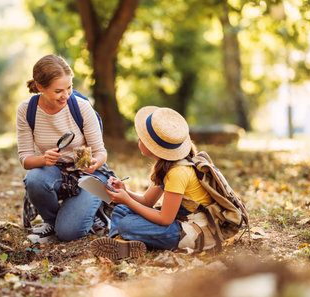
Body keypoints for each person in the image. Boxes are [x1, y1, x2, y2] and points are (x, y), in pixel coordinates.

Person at [90, 106, 214, 259]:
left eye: (142, 138)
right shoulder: (166, 165)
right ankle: (120, 243)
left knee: (127, 223)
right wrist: (125, 191)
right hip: (178, 220)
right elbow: (147, 201)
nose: (138, 139)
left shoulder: (177, 172)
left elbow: (165, 219)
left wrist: (127, 200)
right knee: (121, 210)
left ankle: (123, 240)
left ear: (153, 147)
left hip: (191, 231)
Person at [17, 54, 111, 244]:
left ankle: (91, 212)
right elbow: (25, 159)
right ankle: (51, 222)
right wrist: (43, 160)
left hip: (86, 174)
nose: (66, 95)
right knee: (34, 178)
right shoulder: (27, 110)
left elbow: (101, 152)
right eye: (59, 90)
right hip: (54, 172)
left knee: (68, 233)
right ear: (40, 87)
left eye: (70, 87)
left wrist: (95, 162)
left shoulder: (81, 107)